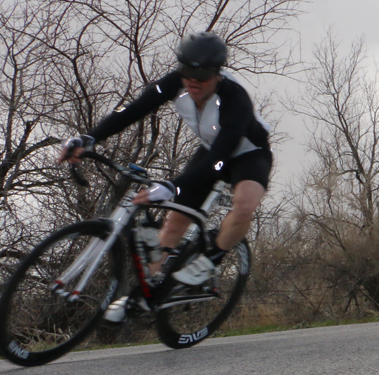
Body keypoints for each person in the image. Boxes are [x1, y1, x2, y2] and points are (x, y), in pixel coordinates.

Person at [58, 31, 272, 320]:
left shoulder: (235, 99)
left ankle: (213, 258)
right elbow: (132, 112)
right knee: (172, 224)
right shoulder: (175, 83)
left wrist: (173, 186)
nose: (194, 81)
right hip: (209, 152)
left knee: (244, 205)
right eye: (187, 72)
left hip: (246, 153)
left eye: (204, 74)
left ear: (217, 74)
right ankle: (148, 295)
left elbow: (221, 157)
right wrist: (89, 138)